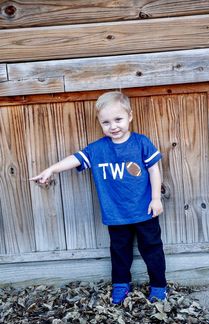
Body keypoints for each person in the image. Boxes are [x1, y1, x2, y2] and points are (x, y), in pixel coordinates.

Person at [30, 91, 167, 304]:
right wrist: (51, 169)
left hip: (144, 211)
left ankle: (158, 286)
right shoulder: (98, 149)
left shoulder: (141, 143)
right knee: (119, 252)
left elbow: (154, 170)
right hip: (116, 214)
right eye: (106, 122)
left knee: (152, 249)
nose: (113, 126)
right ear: (100, 124)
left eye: (118, 119)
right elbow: (75, 159)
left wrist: (156, 198)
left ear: (130, 116)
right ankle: (121, 284)